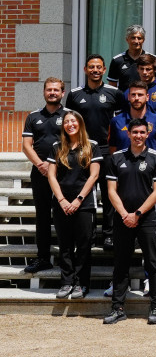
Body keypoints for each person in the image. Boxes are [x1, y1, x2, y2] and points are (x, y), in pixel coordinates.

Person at [102, 118, 156, 325]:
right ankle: (118, 308)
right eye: (134, 132)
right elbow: (111, 191)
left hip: (147, 218)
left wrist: (137, 214)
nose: (138, 136)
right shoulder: (116, 158)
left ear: (147, 134)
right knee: (121, 264)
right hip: (122, 219)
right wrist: (124, 214)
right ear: (128, 134)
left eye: (142, 132)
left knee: (154, 264)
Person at [65, 55, 127, 251]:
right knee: (86, 193)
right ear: (85, 69)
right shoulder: (75, 95)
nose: (95, 70)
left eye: (98, 67)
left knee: (109, 194)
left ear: (104, 70)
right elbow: (69, 123)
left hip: (106, 149)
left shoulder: (115, 93)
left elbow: (121, 123)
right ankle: (87, 235)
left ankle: (108, 234)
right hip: (82, 150)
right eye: (91, 67)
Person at [47, 111, 102, 299]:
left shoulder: (92, 146)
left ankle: (81, 283)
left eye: (73, 121)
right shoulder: (56, 146)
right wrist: (62, 200)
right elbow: (51, 175)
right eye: (66, 122)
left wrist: (78, 199)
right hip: (61, 203)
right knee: (65, 245)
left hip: (84, 203)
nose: (70, 124)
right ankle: (66, 282)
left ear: (80, 123)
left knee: (84, 244)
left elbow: (94, 176)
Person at [21, 77, 67, 274]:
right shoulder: (33, 117)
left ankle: (67, 259)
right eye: (49, 90)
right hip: (40, 172)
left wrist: (55, 166)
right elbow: (26, 146)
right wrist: (41, 165)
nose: (53, 93)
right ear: (44, 92)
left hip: (64, 173)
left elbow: (74, 143)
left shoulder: (69, 116)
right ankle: (43, 258)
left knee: (64, 214)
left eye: (56, 90)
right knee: (42, 216)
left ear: (62, 93)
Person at [108, 81, 156, 151]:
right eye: (133, 95)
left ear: (147, 97)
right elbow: (112, 149)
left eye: (140, 95)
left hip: (151, 161)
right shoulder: (116, 121)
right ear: (128, 97)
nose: (136, 98)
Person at [107, 24, 156, 89]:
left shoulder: (152, 59)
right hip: (124, 98)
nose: (136, 41)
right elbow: (112, 86)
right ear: (127, 39)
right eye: (133, 38)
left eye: (139, 38)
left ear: (143, 40)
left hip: (148, 98)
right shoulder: (117, 60)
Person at [126, 54, 156, 125]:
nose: (144, 72)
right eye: (141, 69)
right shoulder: (130, 93)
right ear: (137, 69)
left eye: (148, 69)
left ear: (155, 70)